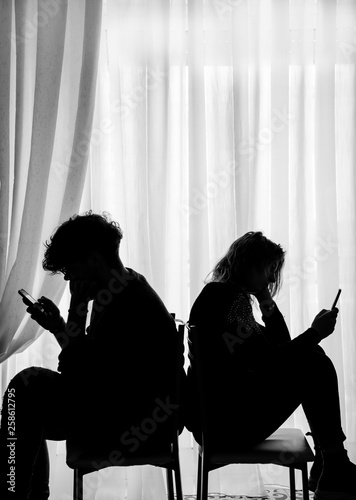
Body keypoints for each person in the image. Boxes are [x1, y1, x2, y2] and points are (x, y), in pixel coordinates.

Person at [0, 211, 185, 500]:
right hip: (122, 409)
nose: (68, 278)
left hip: (137, 424)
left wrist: (75, 309)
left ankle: (16, 494)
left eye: (70, 269)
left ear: (94, 260)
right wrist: (59, 326)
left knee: (25, 391)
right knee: (27, 397)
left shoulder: (127, 304)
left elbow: (77, 373)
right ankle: (25, 494)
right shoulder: (119, 290)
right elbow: (85, 363)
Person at [185, 231, 356, 500]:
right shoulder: (229, 298)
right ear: (252, 265)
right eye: (270, 270)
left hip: (218, 421)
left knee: (312, 356)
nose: (273, 278)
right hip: (229, 426)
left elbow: (277, 346)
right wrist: (315, 333)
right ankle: (333, 463)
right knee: (313, 361)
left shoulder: (222, 294)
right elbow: (272, 361)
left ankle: (329, 463)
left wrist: (265, 297)